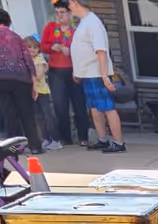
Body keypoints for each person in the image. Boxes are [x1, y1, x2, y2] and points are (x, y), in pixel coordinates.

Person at [68, 0, 124, 152]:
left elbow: (101, 51)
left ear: (76, 3)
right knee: (94, 108)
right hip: (88, 74)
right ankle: (102, 139)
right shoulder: (84, 22)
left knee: (108, 107)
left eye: (70, 3)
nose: (69, 7)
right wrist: (78, 71)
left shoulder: (93, 23)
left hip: (98, 73)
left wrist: (104, 76)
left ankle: (119, 143)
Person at [41, 0, 89, 146]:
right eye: (57, 13)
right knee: (60, 106)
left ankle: (83, 137)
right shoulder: (50, 27)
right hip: (56, 71)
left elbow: (84, 50)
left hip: (75, 70)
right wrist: (52, 47)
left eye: (62, 12)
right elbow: (42, 46)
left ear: (69, 13)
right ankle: (66, 138)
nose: (59, 16)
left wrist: (71, 51)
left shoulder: (76, 29)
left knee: (79, 105)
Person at [0, 9, 42, 154]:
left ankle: (14, 149)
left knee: (9, 115)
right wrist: (34, 83)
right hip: (22, 80)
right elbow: (28, 60)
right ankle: (36, 146)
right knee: (27, 114)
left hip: (2, 80)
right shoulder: (16, 37)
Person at [25, 36, 62, 150]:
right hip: (33, 92)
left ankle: (56, 139)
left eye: (35, 47)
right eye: (29, 47)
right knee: (39, 117)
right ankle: (46, 138)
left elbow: (39, 75)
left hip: (42, 92)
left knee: (47, 116)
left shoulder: (39, 60)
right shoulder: (26, 61)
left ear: (39, 49)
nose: (32, 50)